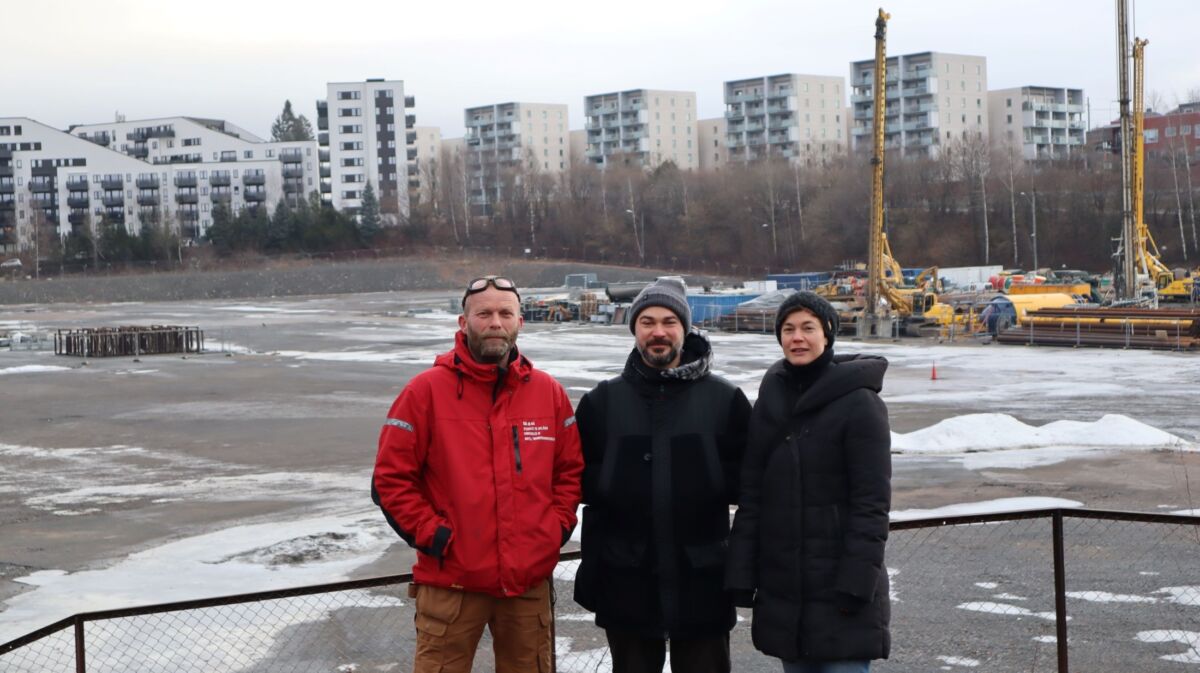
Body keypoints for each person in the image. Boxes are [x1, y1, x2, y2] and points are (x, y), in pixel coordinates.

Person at [372, 275, 583, 673]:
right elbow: (390, 478)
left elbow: (569, 472)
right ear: (463, 321)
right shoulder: (424, 392)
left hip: (526, 584)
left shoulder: (547, 393)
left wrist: (552, 530)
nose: (495, 322)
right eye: (483, 313)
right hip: (450, 582)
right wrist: (433, 534)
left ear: (521, 321)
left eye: (506, 313)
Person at [573, 278, 751, 673]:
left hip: (703, 581)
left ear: (685, 329)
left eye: (669, 322)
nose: (658, 332)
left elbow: (754, 486)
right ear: (633, 329)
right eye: (647, 322)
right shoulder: (602, 403)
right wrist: (594, 565)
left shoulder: (724, 401)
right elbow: (578, 484)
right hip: (627, 582)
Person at [726, 291, 892, 673]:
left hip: (840, 591)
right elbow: (753, 495)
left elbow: (872, 503)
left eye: (807, 328)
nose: (796, 337)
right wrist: (741, 572)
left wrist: (856, 582)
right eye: (788, 329)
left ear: (827, 334)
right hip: (785, 590)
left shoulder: (859, 403)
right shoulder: (771, 398)